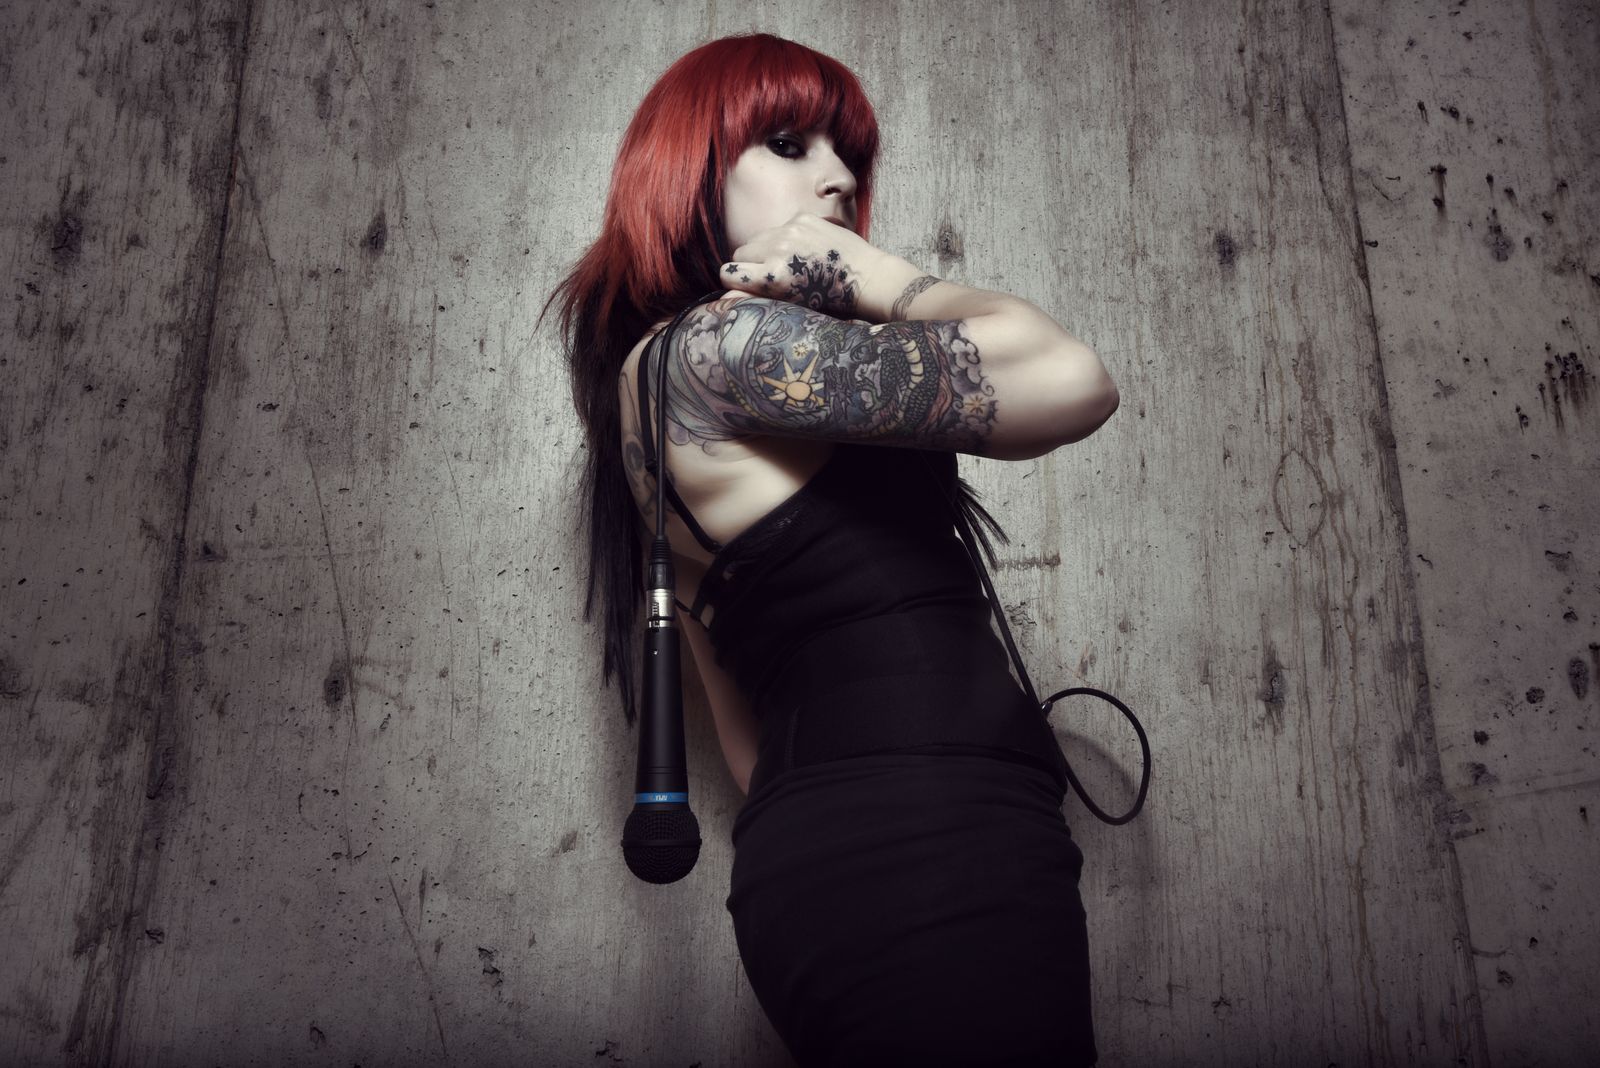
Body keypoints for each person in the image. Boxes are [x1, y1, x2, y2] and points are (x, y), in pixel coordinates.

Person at [541, 32, 1119, 1066]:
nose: (840, 177)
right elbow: (1073, 380)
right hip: (925, 851)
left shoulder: (673, 387)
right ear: (690, 172)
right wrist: (877, 274)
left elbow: (748, 741)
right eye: (788, 143)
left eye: (848, 154)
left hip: (876, 852)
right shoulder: (723, 347)